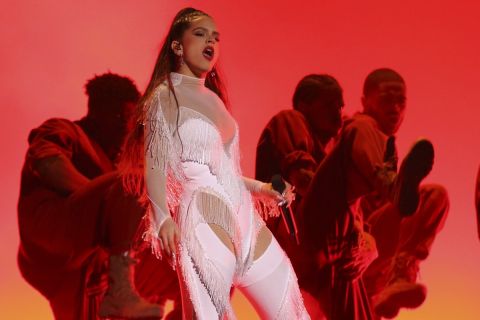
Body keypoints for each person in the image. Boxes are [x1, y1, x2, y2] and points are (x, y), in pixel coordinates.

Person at [121, 7, 310, 319]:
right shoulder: (164, 96)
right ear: (177, 46)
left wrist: (263, 188)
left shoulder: (214, 99)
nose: (211, 41)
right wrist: (162, 217)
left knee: (291, 309)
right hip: (203, 214)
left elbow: (224, 173)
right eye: (200, 34)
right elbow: (155, 162)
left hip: (244, 218)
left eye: (215, 37)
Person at [17, 73, 169, 319]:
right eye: (121, 117)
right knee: (135, 181)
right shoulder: (65, 129)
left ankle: (131, 292)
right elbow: (47, 163)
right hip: (53, 237)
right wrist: (105, 201)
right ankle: (120, 288)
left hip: (81, 266)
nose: (126, 126)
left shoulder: (114, 158)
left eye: (131, 119)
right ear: (97, 112)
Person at [300, 68, 449, 319]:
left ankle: (397, 278)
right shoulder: (356, 129)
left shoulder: (385, 145)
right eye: (385, 100)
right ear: (365, 101)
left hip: (370, 263)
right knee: (432, 195)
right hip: (342, 248)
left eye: (400, 102)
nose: (394, 108)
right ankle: (390, 184)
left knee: (435, 198)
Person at [255, 74, 344, 318]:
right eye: (330, 104)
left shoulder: (325, 149)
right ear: (305, 103)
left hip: (311, 258)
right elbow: (303, 180)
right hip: (289, 232)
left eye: (340, 106)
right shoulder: (292, 120)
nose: (338, 112)